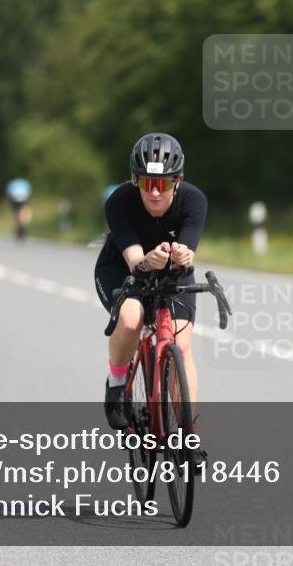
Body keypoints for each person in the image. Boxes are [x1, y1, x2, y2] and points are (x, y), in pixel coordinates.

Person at [94, 133, 207, 430]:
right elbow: (135, 262)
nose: (154, 193)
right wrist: (148, 261)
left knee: (181, 346)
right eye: (146, 183)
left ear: (178, 181)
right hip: (122, 268)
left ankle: (189, 431)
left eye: (164, 184)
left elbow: (188, 251)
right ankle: (117, 384)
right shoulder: (119, 202)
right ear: (135, 180)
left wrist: (182, 256)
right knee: (132, 320)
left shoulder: (193, 201)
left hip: (171, 271)